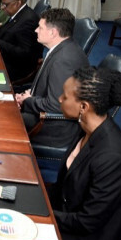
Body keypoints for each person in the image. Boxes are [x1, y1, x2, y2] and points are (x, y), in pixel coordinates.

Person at [48, 66, 121, 240]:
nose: (59, 99)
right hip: (68, 216)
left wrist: (41, 213)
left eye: (65, 96)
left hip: (91, 236)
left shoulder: (113, 157)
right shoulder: (86, 128)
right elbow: (66, 187)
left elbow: (87, 222)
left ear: (83, 107)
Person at [15, 8, 89, 147]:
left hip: (52, 126)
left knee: (1, 118)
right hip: (42, 113)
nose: (36, 30)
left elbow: (56, 105)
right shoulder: (62, 48)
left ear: (53, 32)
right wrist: (30, 94)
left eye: (40, 27)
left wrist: (29, 101)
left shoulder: (63, 60)